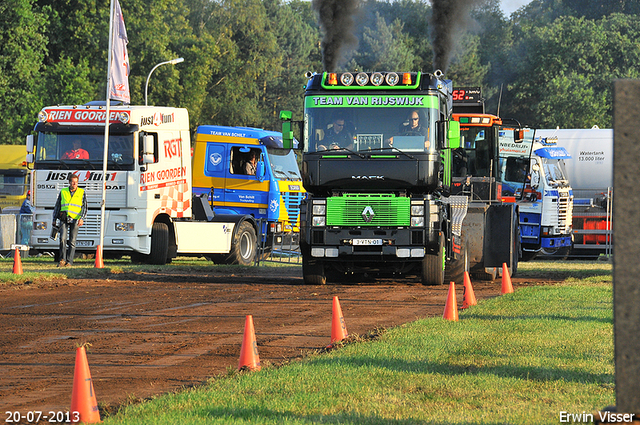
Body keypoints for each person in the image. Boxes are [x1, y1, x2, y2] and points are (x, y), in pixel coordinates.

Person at [52, 174, 87, 267]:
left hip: (75, 219)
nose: (75, 184)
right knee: (62, 239)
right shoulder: (63, 191)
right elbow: (57, 206)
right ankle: (62, 260)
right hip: (64, 218)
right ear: (69, 182)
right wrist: (54, 219)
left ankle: (69, 261)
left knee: (72, 241)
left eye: (76, 182)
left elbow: (84, 207)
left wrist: (82, 218)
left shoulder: (81, 192)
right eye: (73, 182)